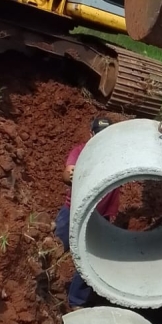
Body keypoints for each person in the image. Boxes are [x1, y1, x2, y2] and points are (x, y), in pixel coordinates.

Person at [54, 117, 120, 309]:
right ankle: (38, 285)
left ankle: (76, 301)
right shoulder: (81, 151)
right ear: (91, 134)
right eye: (99, 135)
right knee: (55, 248)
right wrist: (76, 173)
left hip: (102, 218)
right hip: (73, 211)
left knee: (90, 261)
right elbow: (67, 174)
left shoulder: (118, 155)